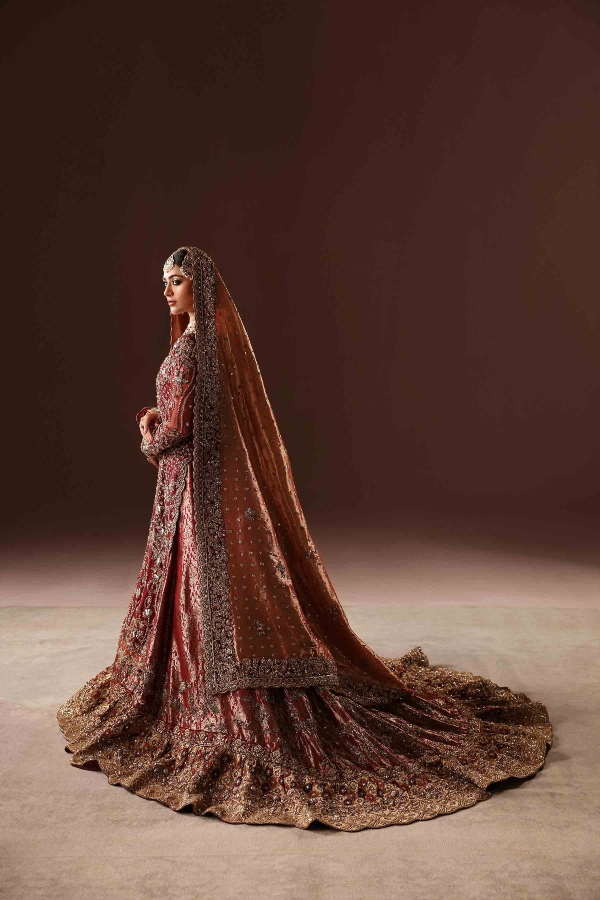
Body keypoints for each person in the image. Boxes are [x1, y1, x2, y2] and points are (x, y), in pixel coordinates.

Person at [56, 246, 553, 831]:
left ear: (202, 288)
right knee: (193, 593)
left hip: (191, 490)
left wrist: (147, 431)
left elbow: (178, 430)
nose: (167, 290)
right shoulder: (205, 345)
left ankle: (209, 694)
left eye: (178, 280)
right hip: (191, 489)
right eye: (164, 281)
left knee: (197, 591)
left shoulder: (191, 351)